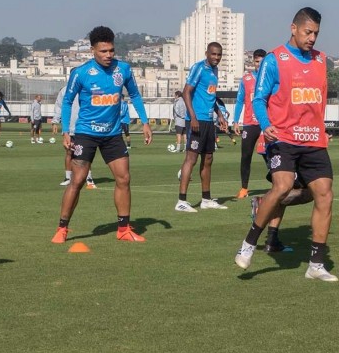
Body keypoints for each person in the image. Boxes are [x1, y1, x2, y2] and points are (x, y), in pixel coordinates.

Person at [234, 7, 339, 282]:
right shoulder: (274, 59)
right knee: (281, 186)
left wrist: (321, 129)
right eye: (308, 32)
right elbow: (258, 99)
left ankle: (315, 265)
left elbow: (320, 100)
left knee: (324, 194)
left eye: (316, 33)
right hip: (282, 137)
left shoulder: (321, 60)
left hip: (313, 140)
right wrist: (266, 124)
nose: (312, 38)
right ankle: (249, 243)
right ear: (293, 28)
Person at [51, 26, 153, 244]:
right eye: (103, 51)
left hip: (113, 134)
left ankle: (124, 228)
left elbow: (134, 94)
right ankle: (62, 228)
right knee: (77, 180)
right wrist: (66, 131)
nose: (108, 55)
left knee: (124, 178)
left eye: (111, 51)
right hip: (86, 133)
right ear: (92, 50)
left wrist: (145, 122)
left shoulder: (123, 70)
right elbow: (68, 101)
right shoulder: (80, 73)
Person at [175, 42, 229, 213]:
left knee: (208, 159)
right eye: (213, 54)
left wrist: (219, 115)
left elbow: (210, 96)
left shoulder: (215, 71)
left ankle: (206, 199)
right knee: (191, 159)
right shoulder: (199, 68)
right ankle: (181, 201)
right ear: (207, 53)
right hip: (196, 120)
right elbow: (186, 92)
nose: (216, 58)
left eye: (219, 55)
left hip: (208, 121)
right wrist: (193, 116)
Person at [232, 49, 267, 199]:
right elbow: (240, 101)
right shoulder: (246, 79)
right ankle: (244, 188)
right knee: (245, 156)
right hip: (249, 123)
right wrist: (235, 121)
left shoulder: (269, 78)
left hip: (266, 123)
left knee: (270, 155)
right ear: (253, 62)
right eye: (257, 61)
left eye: (262, 61)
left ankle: (279, 184)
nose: (259, 64)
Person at [55, 79, 95, 189]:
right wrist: (55, 121)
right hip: (69, 127)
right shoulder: (64, 90)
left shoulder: (87, 88)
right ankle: (68, 177)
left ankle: (89, 178)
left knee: (85, 154)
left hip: (84, 127)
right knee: (69, 153)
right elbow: (59, 106)